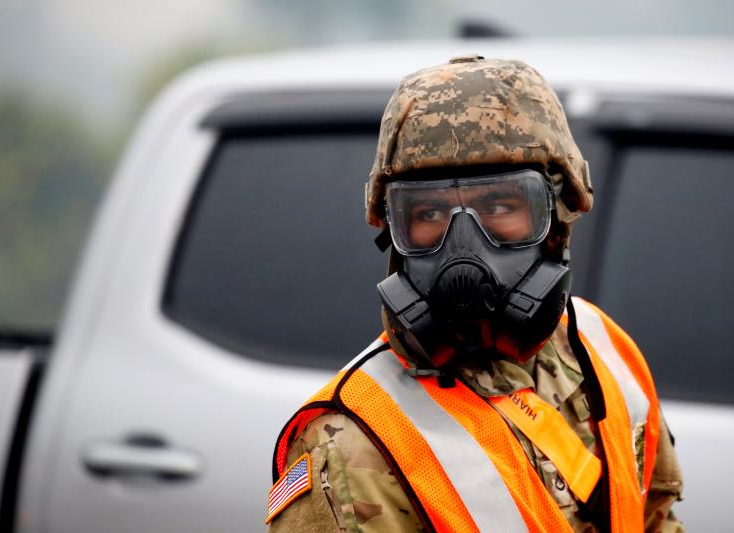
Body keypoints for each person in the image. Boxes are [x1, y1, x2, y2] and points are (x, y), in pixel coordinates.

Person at [265, 55, 685, 532]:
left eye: (500, 205)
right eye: (427, 214)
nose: (464, 251)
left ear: (557, 218)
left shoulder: (605, 355)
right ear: (394, 234)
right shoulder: (353, 448)